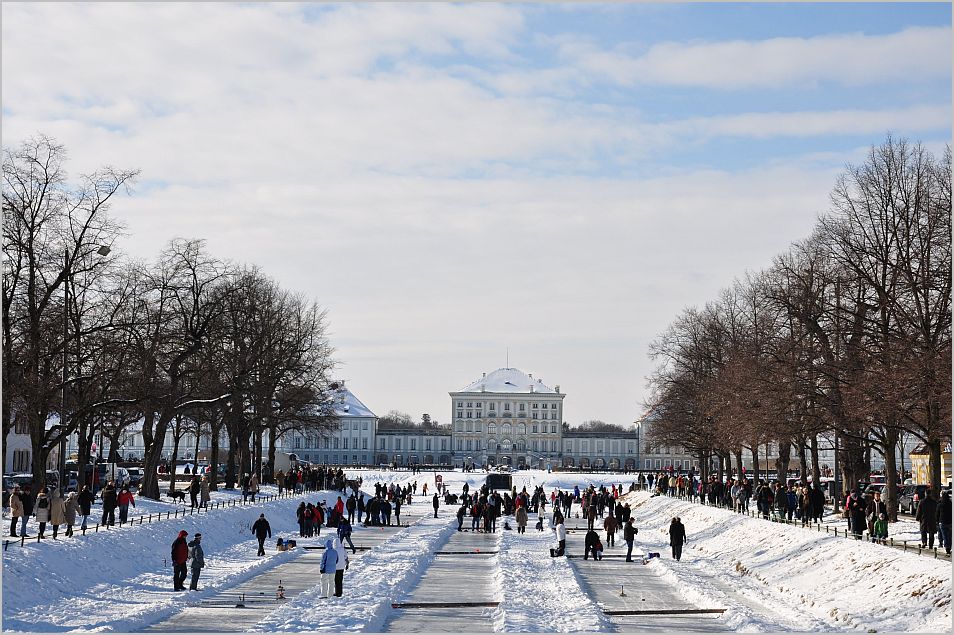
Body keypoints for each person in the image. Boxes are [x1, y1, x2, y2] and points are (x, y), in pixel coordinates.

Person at [938, 490, 952, 555]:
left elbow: (937, 514)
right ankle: (949, 546)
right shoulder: (950, 504)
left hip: (942, 522)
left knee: (944, 535)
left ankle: (947, 547)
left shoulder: (940, 504)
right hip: (950, 522)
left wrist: (937, 520)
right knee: (949, 535)